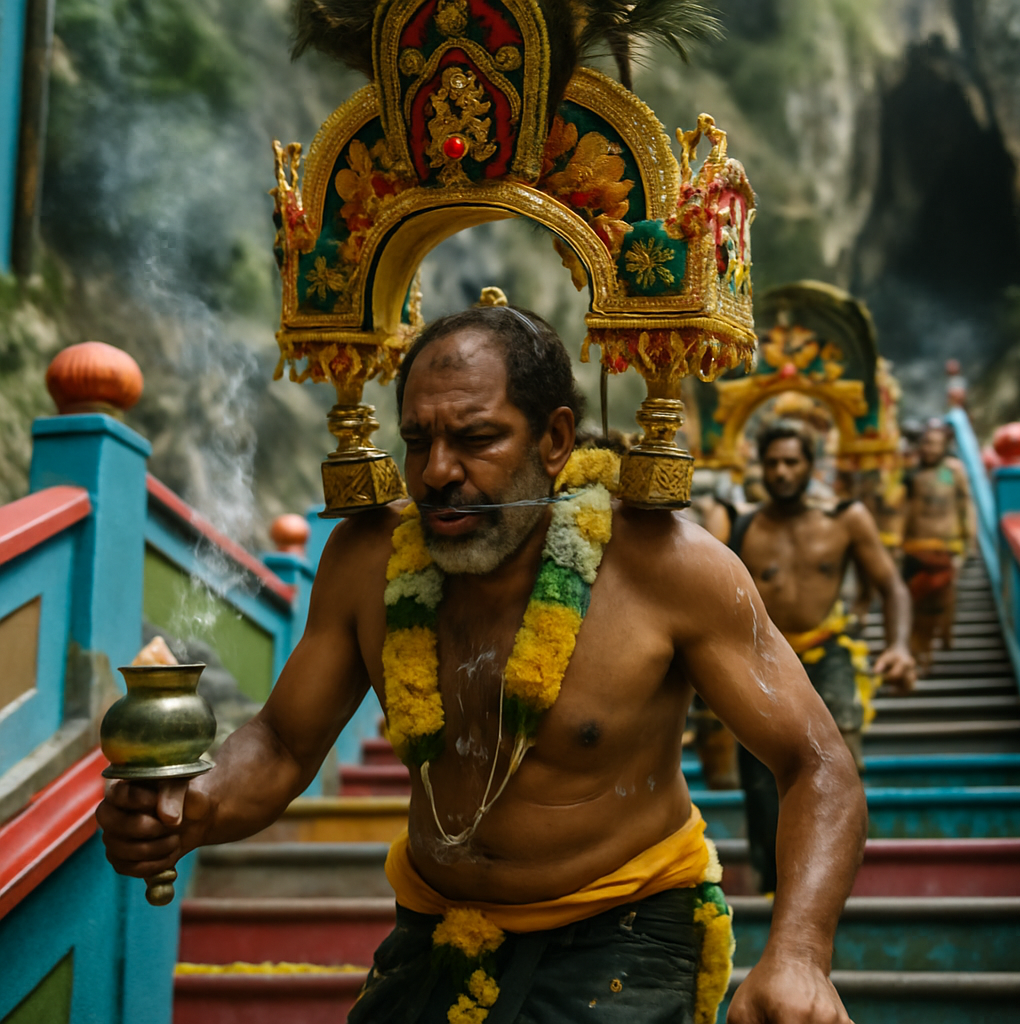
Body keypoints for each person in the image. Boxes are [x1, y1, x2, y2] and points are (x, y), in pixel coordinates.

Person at [98, 307, 867, 1024]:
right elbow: (282, 743)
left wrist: (800, 953)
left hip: (624, 936)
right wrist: (198, 805)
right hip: (433, 929)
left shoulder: (667, 567)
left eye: (475, 439)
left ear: (556, 439)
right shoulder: (369, 560)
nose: (436, 471)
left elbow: (817, 763)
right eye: (418, 440)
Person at [730, 419, 915, 894]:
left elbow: (893, 586)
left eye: (792, 462)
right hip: (766, 663)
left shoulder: (844, 518)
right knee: (760, 778)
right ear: (760, 468)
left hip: (828, 655)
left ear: (810, 466)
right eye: (772, 463)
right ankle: (775, 889)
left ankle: (836, 881)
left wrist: (897, 645)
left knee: (839, 770)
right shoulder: (742, 525)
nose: (782, 472)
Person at [902, 420, 976, 674]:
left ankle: (928, 648)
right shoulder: (910, 471)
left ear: (945, 445)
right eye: (925, 443)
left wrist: (969, 537)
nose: (929, 448)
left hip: (945, 546)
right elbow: (901, 508)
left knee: (937, 603)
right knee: (912, 602)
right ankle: (918, 650)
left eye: (935, 443)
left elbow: (966, 504)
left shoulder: (953, 470)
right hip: (913, 547)